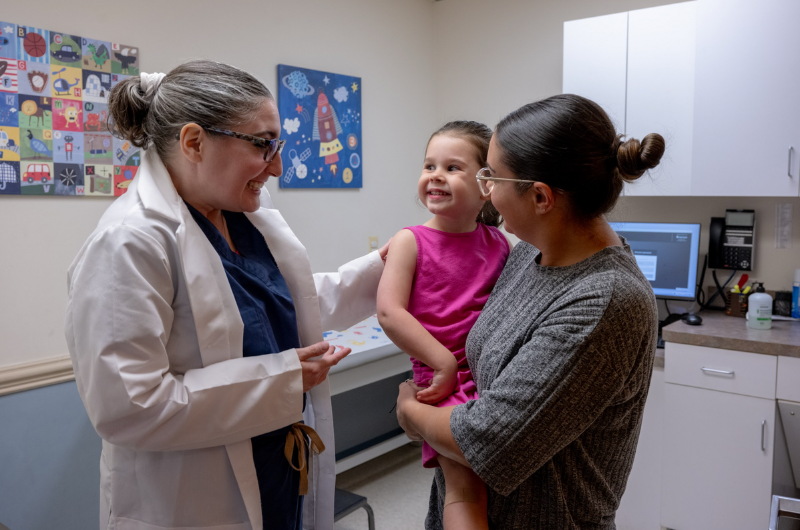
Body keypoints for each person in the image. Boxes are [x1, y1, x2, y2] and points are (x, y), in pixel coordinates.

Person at [65, 61, 387, 530]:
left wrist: (384, 268)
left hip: (276, 468)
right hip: (196, 498)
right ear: (194, 142)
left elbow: (280, 303)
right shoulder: (130, 241)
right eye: (263, 145)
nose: (276, 166)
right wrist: (283, 378)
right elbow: (130, 406)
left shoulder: (241, 215)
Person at [395, 94, 664, 529]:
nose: (487, 192)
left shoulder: (605, 301)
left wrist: (410, 412)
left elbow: (487, 440)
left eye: (493, 178)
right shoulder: (528, 257)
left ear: (540, 197)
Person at [378, 121, 510, 530]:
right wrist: (443, 363)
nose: (435, 175)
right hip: (442, 378)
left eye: (452, 167)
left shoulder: (500, 243)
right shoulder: (409, 241)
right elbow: (389, 312)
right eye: (429, 165)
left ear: (487, 184)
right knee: (466, 486)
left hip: (491, 376)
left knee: (500, 479)